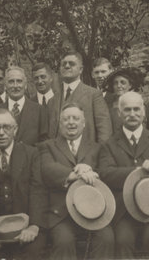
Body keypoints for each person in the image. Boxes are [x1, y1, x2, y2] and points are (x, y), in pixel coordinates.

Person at [98, 92, 149, 259]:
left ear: (143, 112)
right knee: (122, 240)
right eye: (127, 110)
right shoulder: (109, 144)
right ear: (119, 113)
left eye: (136, 109)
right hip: (124, 211)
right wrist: (139, 172)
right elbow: (105, 173)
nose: (132, 114)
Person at [39, 103, 114, 260]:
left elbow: (105, 172)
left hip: (93, 212)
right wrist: (76, 173)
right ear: (60, 124)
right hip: (61, 214)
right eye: (66, 119)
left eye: (76, 118)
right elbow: (47, 170)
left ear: (84, 123)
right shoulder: (47, 146)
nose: (71, 122)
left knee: (106, 238)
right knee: (64, 241)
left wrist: (91, 171)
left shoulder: (97, 147)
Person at [0, 108, 47, 259]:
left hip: (26, 231)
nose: (1, 132)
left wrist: (34, 226)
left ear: (15, 129)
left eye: (6, 127)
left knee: (32, 254)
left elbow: (38, 191)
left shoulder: (31, 154)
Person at [48, 51, 112, 143]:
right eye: (63, 64)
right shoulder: (52, 100)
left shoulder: (94, 95)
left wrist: (100, 155)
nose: (67, 66)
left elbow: (104, 131)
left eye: (72, 64)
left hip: (86, 154)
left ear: (81, 69)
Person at [4, 66, 48, 145]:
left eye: (19, 81)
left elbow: (44, 142)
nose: (15, 86)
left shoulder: (39, 110)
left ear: (25, 85)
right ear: (5, 86)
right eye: (11, 82)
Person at [103, 67, 143, 133]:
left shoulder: (137, 103)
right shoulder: (108, 104)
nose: (119, 85)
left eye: (123, 82)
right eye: (115, 83)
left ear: (130, 85)